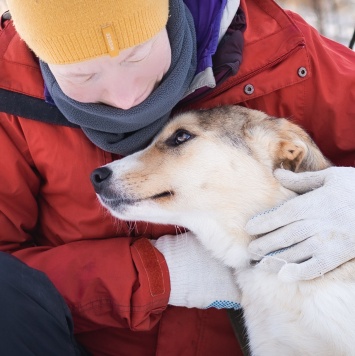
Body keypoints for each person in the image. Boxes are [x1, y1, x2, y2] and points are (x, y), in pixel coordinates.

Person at [0, 0, 354, 355]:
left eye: (136, 55)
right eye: (82, 75)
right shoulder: (8, 89)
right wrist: (161, 273)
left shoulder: (280, 45)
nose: (125, 99)